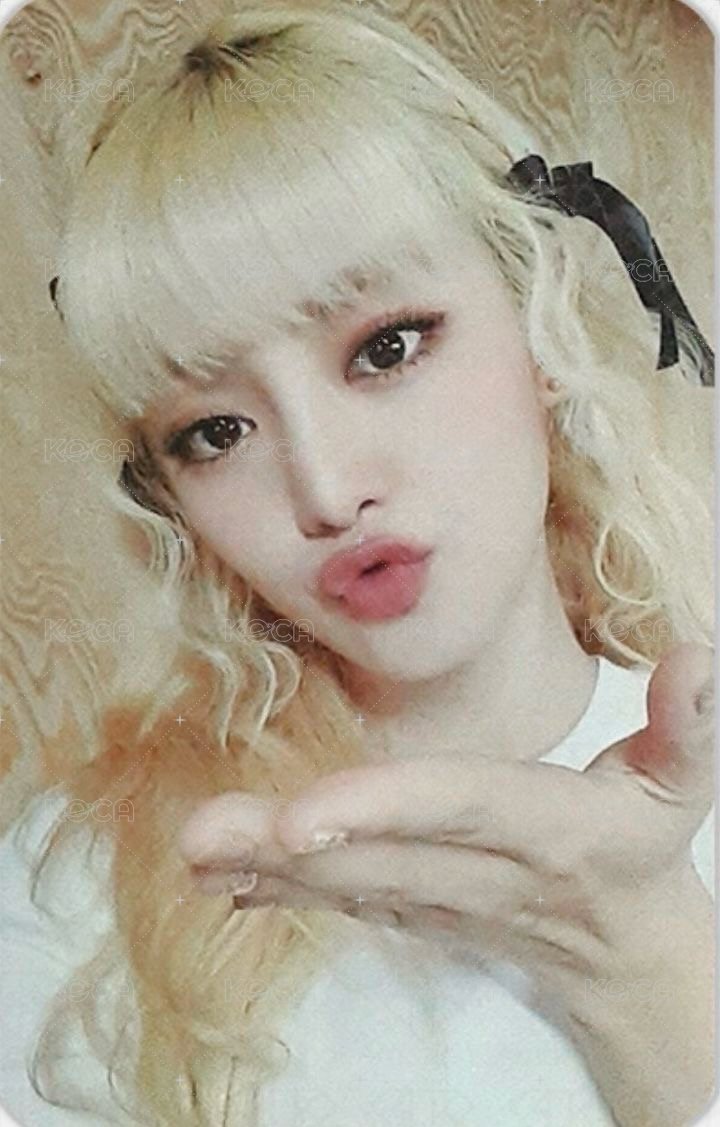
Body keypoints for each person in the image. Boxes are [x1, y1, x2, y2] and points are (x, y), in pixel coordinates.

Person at [0, 4, 714, 1125]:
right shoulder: (80, 884)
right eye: (215, 431)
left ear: (539, 316)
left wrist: (654, 970)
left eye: (387, 347)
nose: (327, 491)